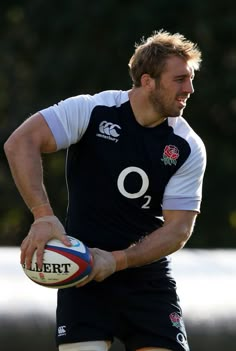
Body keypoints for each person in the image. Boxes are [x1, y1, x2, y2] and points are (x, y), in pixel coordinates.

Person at [4, 29, 206, 351]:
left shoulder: (186, 146)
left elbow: (179, 229)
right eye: (180, 79)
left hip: (147, 281)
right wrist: (43, 216)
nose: (190, 89)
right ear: (147, 80)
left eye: (191, 79)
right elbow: (21, 142)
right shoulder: (93, 111)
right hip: (81, 277)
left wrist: (117, 260)